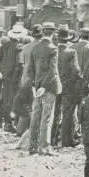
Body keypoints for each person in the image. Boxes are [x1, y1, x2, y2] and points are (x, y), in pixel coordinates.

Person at [26, 22, 61, 156]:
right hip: (48, 87)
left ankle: (32, 146)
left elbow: (30, 70)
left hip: (37, 87)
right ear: (53, 33)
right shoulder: (53, 49)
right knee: (47, 117)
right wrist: (45, 87)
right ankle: (44, 147)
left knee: (35, 116)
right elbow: (52, 71)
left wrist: (35, 86)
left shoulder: (35, 48)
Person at [54, 25, 81, 147]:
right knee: (67, 113)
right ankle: (66, 140)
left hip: (54, 85)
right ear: (68, 38)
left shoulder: (53, 50)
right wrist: (74, 80)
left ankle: (53, 138)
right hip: (67, 86)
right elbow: (75, 70)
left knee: (54, 112)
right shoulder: (71, 52)